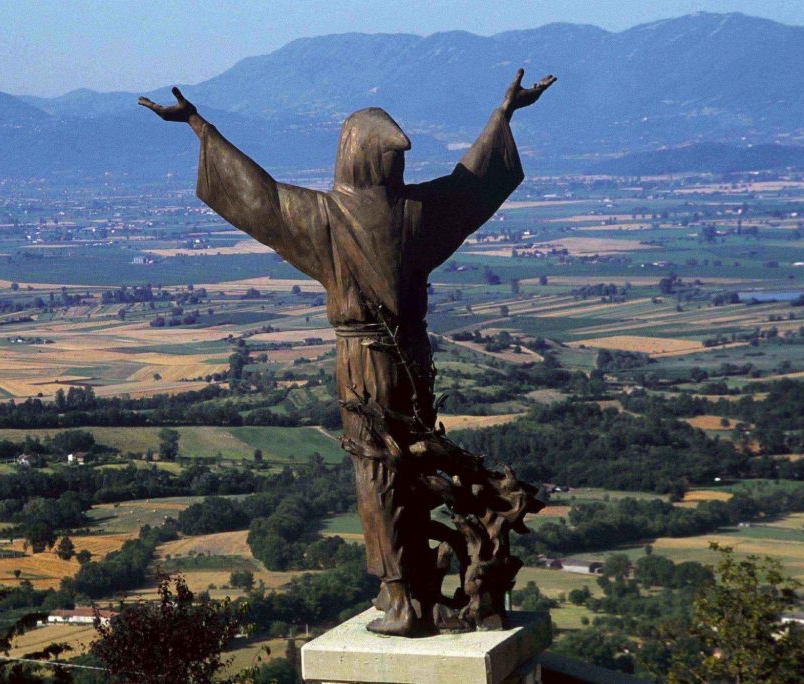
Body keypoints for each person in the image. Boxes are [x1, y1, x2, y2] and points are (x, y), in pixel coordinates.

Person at [140, 69, 555, 635]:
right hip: (414, 359)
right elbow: (472, 185)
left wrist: (197, 126)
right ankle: (419, 588)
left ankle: (403, 597)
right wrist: (503, 116)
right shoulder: (420, 213)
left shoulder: (323, 217)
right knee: (411, 470)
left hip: (361, 364)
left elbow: (255, 196)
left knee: (378, 475)